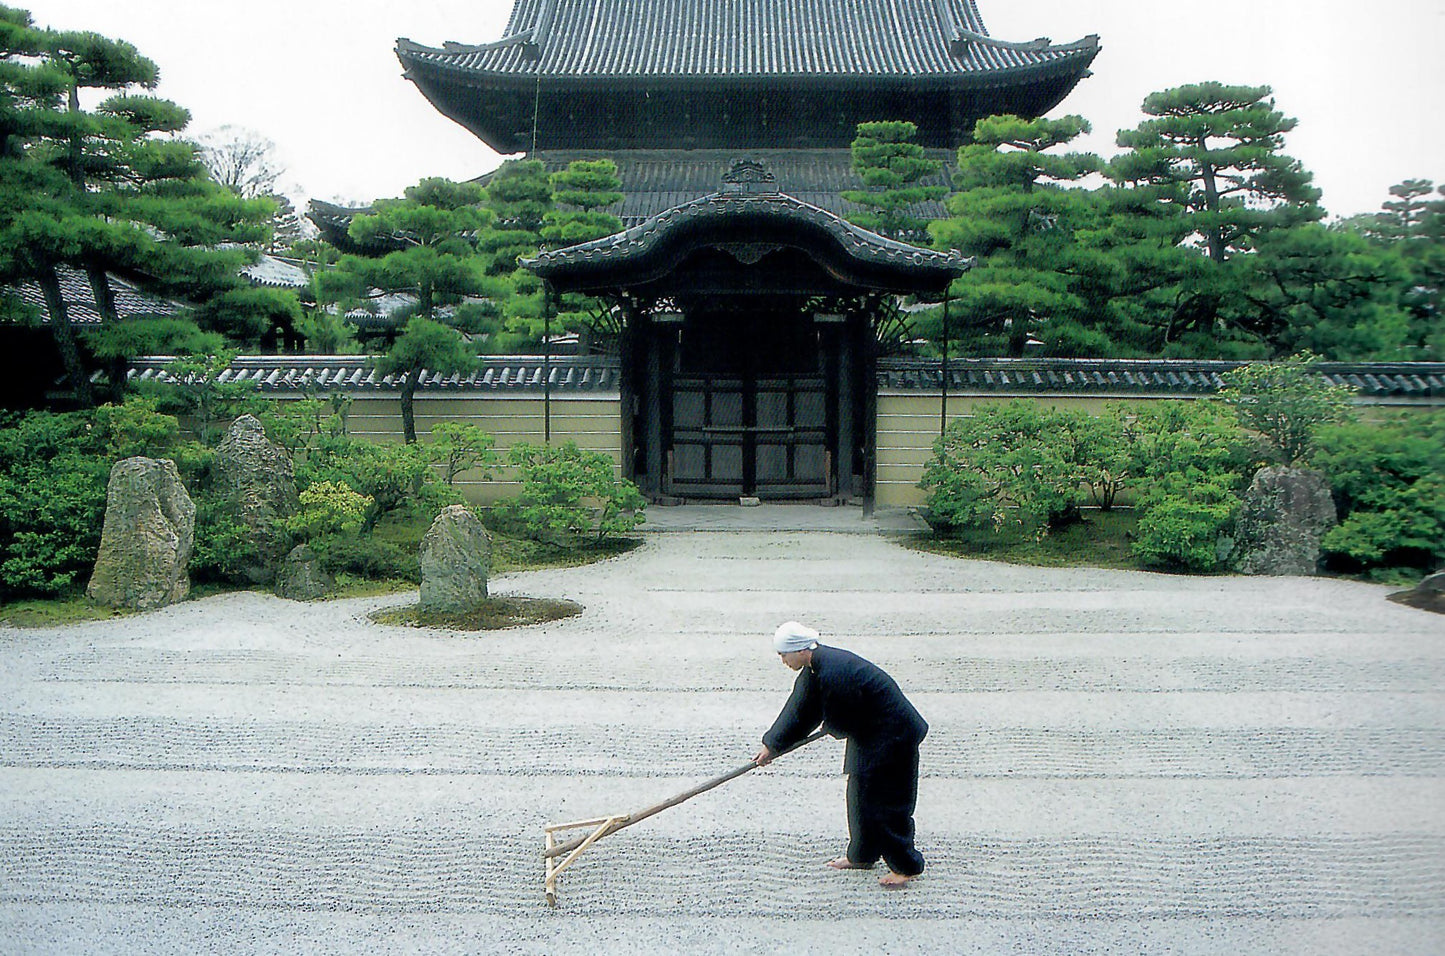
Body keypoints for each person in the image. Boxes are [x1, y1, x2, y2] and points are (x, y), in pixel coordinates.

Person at [755, 620, 928, 887]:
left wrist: (833, 725)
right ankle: (862, 855)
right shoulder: (815, 671)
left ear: (800, 650)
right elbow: (800, 711)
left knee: (885, 801)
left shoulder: (835, 671)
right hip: (869, 733)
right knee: (858, 796)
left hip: (894, 734)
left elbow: (843, 716)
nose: (783, 661)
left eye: (783, 654)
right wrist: (772, 745)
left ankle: (906, 866)